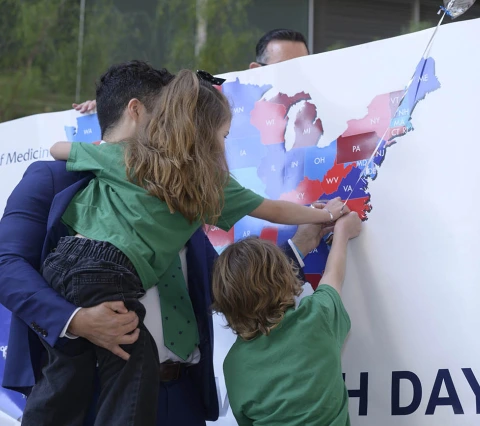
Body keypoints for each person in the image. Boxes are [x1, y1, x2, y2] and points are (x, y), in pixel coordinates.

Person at [0, 60, 329, 426]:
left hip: (183, 398)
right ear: (137, 111)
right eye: (170, 111)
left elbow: (228, 282)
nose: (179, 123)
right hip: (93, 398)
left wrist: (299, 247)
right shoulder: (55, 177)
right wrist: (76, 321)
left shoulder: (186, 188)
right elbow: (6, 267)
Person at [212, 211, 362, 426]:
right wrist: (342, 233)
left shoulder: (234, 365)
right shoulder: (316, 318)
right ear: (285, 276)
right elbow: (333, 276)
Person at [72, 29, 309, 113]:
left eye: (305, 66)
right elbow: (169, 93)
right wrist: (111, 104)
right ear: (255, 70)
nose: (295, 75)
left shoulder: (326, 105)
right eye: (286, 68)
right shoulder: (222, 90)